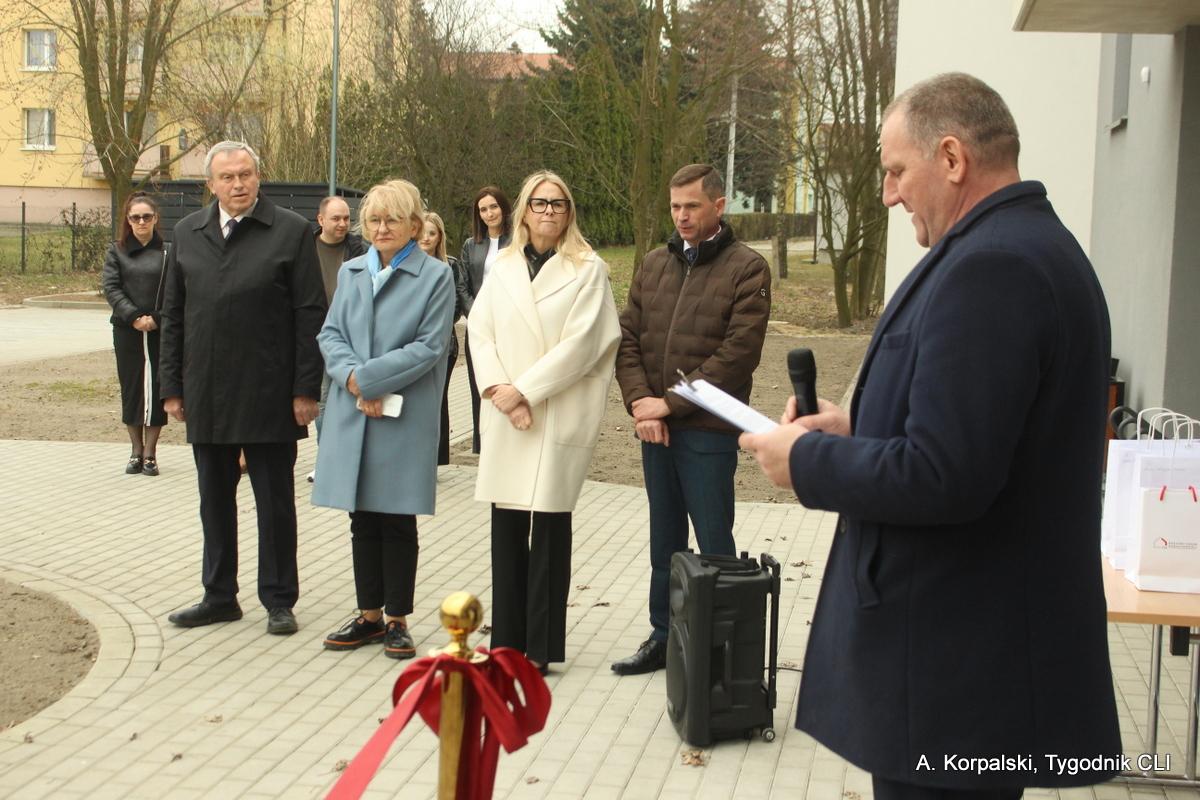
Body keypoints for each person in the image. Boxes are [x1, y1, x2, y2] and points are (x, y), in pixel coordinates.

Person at [739, 73, 1121, 799]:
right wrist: (856, 427)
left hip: (954, 679)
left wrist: (807, 460)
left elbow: (947, 474)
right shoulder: (1021, 246)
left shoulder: (994, 267)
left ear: (951, 158)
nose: (888, 194)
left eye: (895, 170)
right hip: (965, 674)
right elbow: (987, 432)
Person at [160, 141, 326, 636]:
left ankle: (279, 599)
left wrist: (305, 388)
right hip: (207, 390)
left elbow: (310, 313)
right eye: (228, 177)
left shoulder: (291, 231)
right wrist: (171, 386)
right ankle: (218, 596)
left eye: (246, 174)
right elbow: (173, 315)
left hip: (270, 392)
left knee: (275, 503)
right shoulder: (188, 233)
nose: (238, 184)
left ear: (258, 176)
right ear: (211, 184)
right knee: (214, 501)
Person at [611, 164, 771, 675]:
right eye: (675, 206)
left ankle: (721, 652)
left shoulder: (747, 269)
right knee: (665, 542)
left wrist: (671, 403)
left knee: (715, 544)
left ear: (718, 206)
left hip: (707, 432)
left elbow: (737, 356)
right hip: (655, 429)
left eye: (692, 206)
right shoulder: (654, 264)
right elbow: (627, 339)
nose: (681, 215)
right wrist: (641, 403)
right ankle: (664, 636)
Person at [468, 170, 619, 674]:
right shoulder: (503, 265)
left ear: (569, 211)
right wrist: (500, 391)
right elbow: (480, 333)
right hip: (508, 413)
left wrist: (524, 391)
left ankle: (541, 646)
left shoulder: (588, 269)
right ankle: (506, 642)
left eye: (558, 203)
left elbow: (584, 345)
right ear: (525, 211)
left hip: (555, 409)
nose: (549, 211)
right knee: (507, 530)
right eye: (539, 203)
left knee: (550, 531)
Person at [313, 180, 454, 659]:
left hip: (401, 412)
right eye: (373, 220)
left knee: (396, 517)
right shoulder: (352, 271)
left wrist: (369, 380)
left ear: (414, 225)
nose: (381, 228)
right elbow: (330, 334)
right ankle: (369, 615)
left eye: (392, 220)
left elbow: (430, 346)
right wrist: (353, 377)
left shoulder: (435, 276)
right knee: (362, 517)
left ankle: (397, 618)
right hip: (354, 410)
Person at [101, 193, 169, 476]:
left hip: (158, 329)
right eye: (135, 217)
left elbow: (176, 290)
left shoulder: (168, 252)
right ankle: (135, 451)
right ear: (128, 221)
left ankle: (151, 453)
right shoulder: (116, 252)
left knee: (156, 387)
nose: (141, 222)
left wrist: (156, 318)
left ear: (155, 218)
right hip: (127, 329)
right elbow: (111, 287)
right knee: (131, 387)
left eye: (146, 216)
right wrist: (133, 317)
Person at [309, 196, 368, 481]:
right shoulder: (304, 250)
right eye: (336, 218)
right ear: (321, 220)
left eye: (346, 218)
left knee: (346, 397)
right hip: (314, 335)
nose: (343, 223)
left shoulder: (360, 250)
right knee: (322, 399)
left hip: (350, 337)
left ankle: (347, 458)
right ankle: (327, 459)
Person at [459, 186, 513, 454]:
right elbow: (462, 286)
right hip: (479, 328)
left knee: (507, 384)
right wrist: (477, 315)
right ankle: (483, 445)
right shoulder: (471, 245)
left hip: (509, 326)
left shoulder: (518, 242)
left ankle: (508, 442)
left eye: (493, 207)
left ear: (503, 208)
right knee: (479, 385)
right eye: (483, 209)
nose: (489, 213)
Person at [418, 211, 467, 466]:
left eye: (432, 233)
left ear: (440, 237)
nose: (426, 238)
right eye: (423, 232)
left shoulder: (450, 265)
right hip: (414, 346)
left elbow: (456, 305)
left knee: (438, 400)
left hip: (444, 347)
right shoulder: (405, 266)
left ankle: (437, 457)